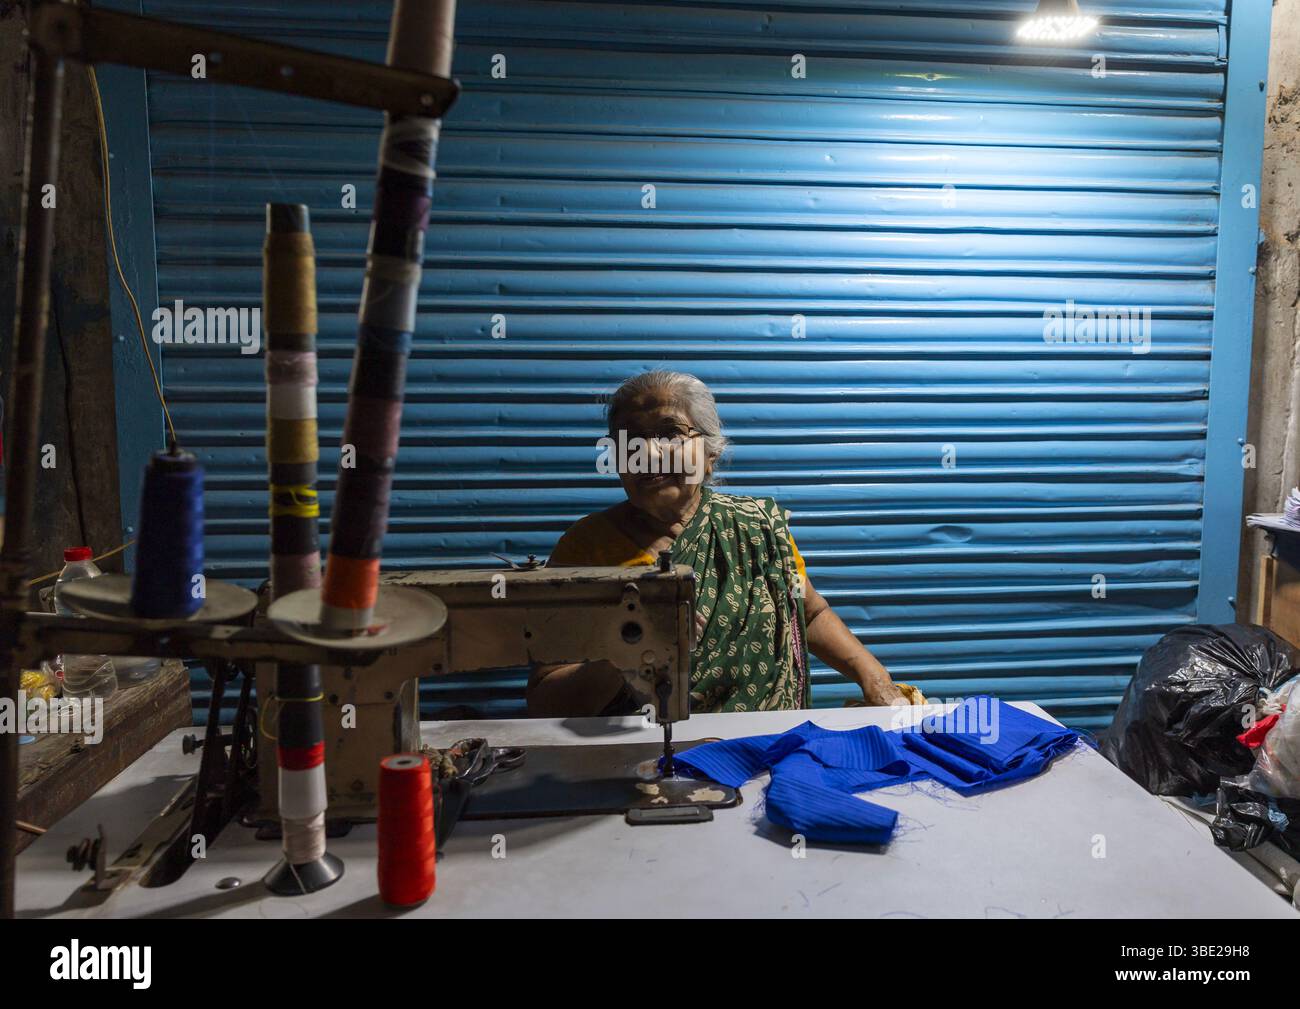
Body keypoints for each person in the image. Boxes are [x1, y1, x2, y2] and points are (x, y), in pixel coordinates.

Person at [528, 370, 921, 716]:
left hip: (767, 744)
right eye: (630, 441)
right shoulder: (586, 549)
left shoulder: (757, 527)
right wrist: (629, 649)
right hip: (638, 760)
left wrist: (874, 677)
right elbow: (548, 699)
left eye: (670, 433)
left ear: (711, 454)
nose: (648, 452)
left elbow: (810, 613)